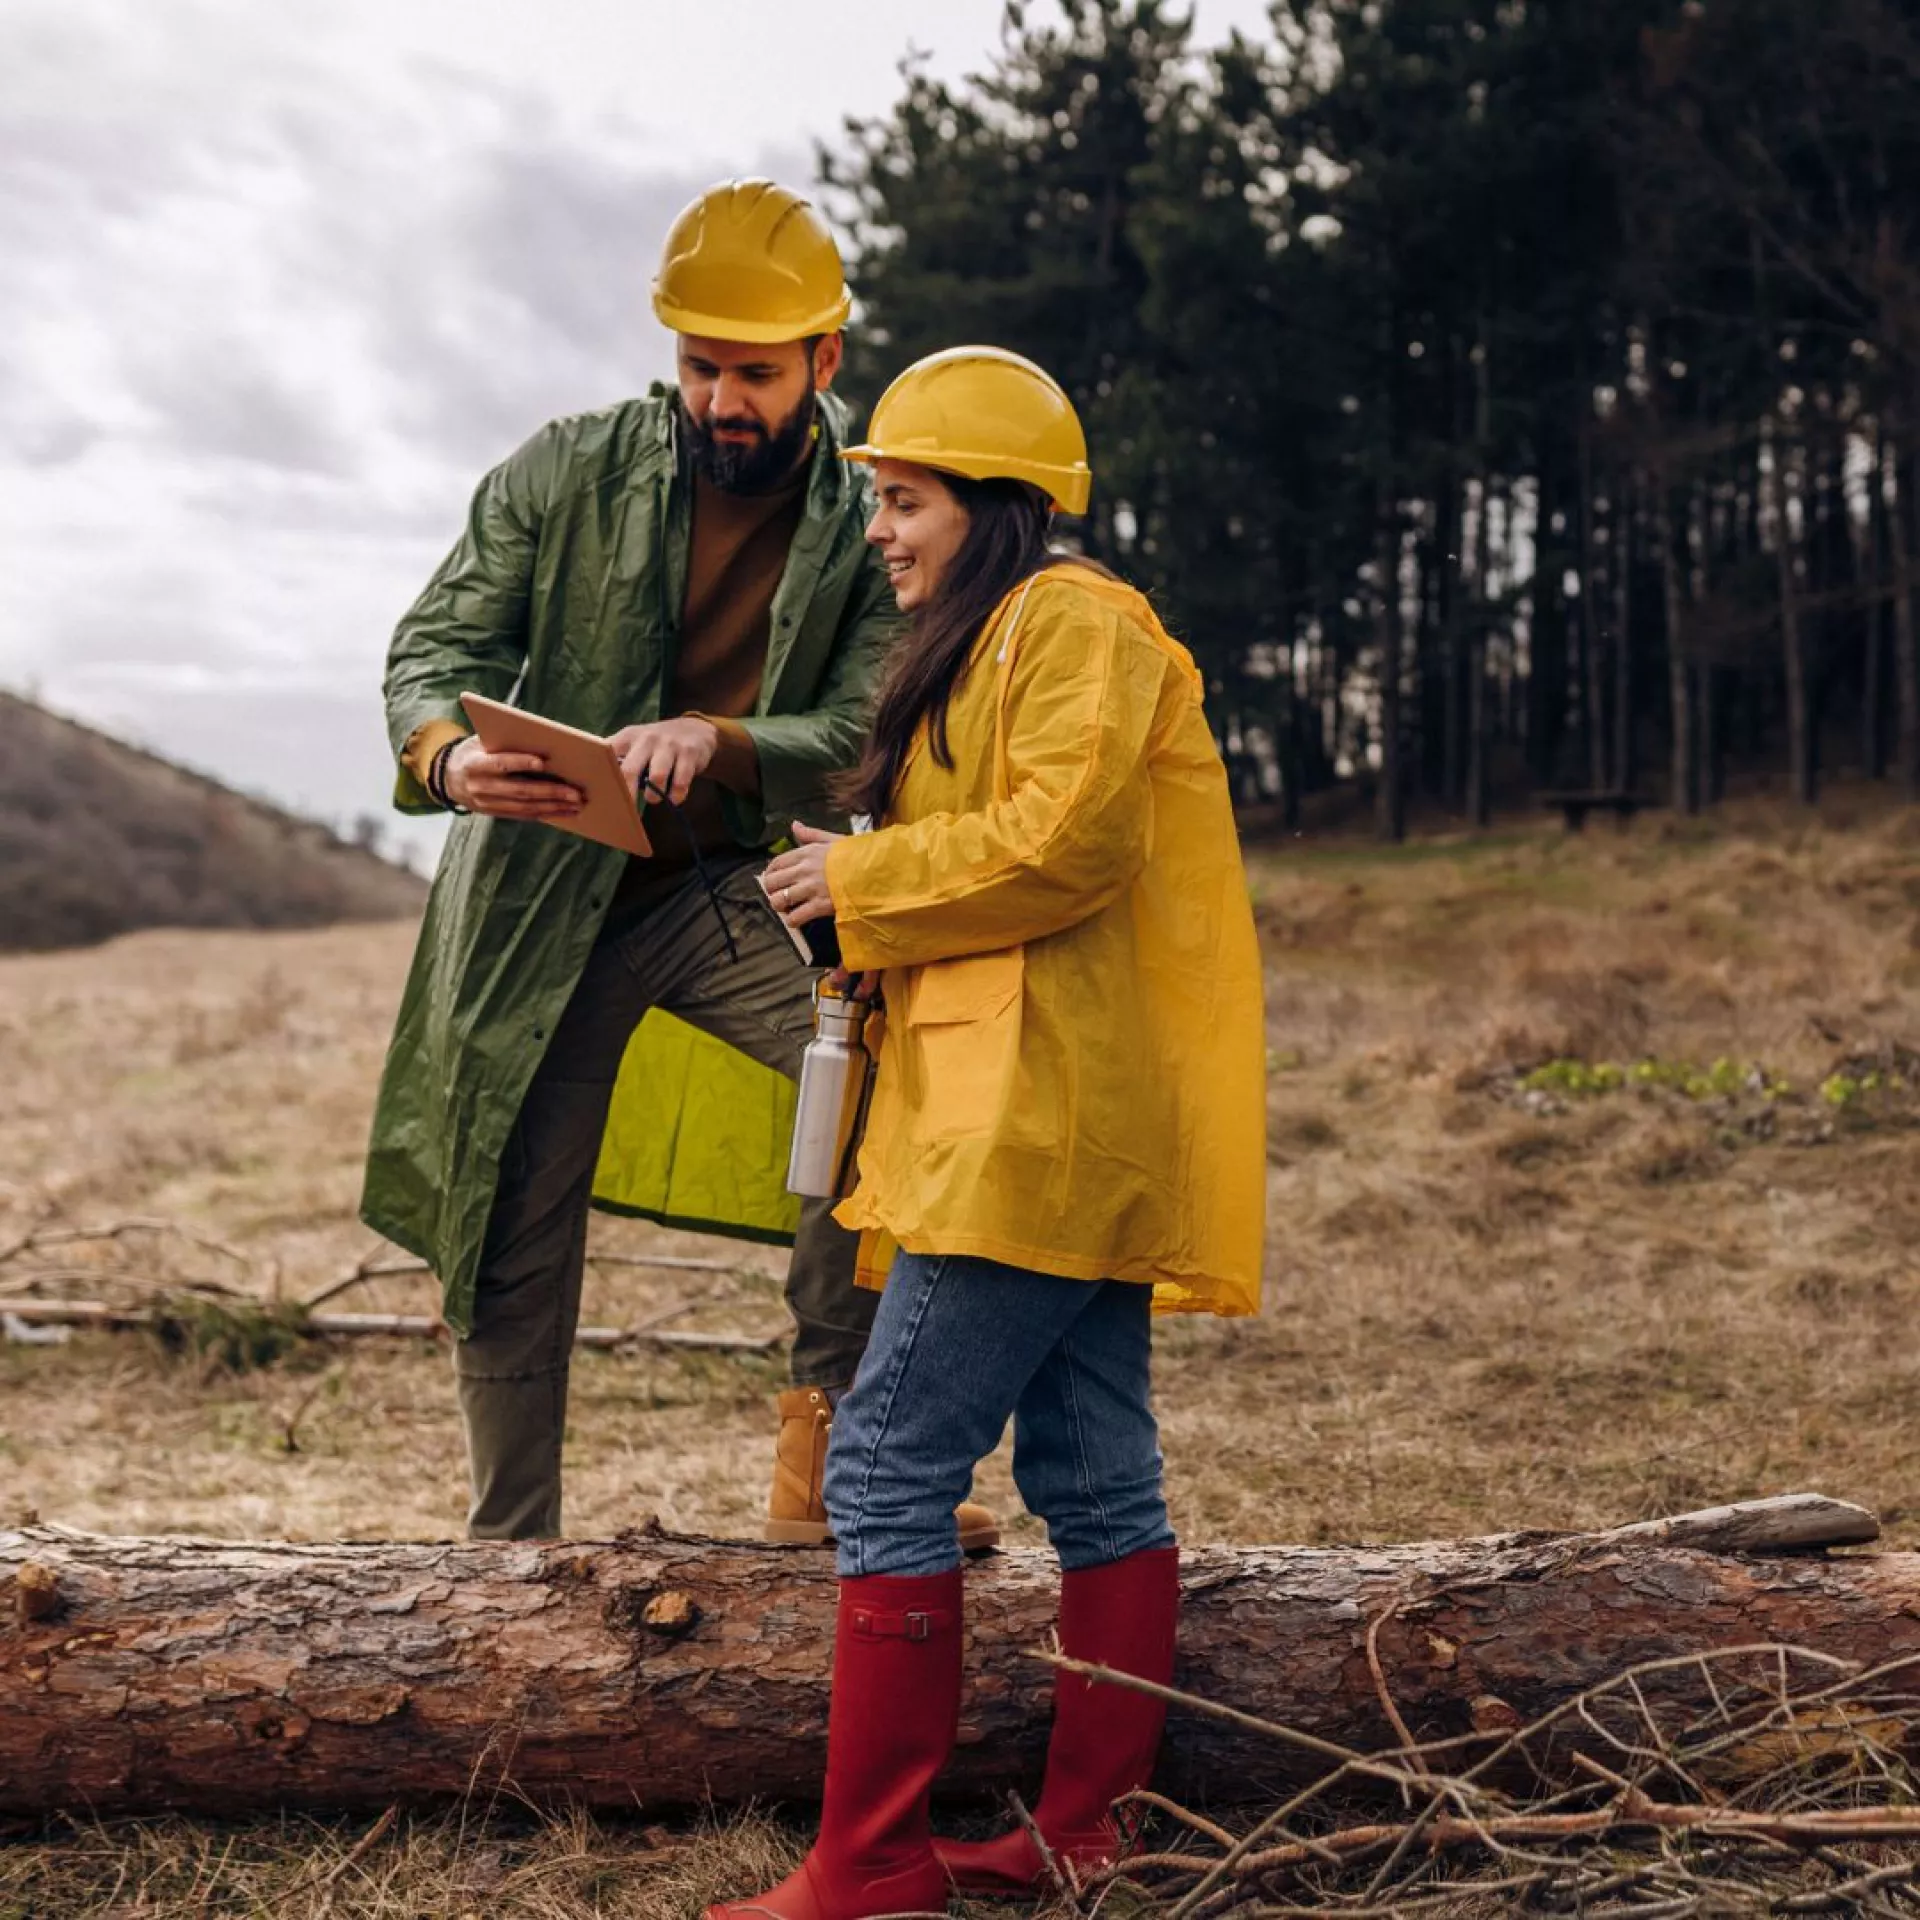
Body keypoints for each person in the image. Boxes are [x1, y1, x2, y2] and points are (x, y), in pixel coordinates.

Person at [709, 345, 1266, 1920]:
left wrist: (867, 883)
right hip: (1036, 1117)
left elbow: (1071, 841)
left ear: (995, 503)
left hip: (1033, 1129)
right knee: (1097, 1478)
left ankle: (871, 1867)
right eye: (878, 500)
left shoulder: (1075, 618)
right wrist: (862, 868)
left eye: (904, 499)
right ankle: (1088, 1840)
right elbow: (1011, 836)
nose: (880, 530)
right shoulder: (996, 635)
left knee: (881, 1466)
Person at [358, 180, 998, 1552]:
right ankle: (508, 1555)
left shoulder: (867, 510)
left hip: (737, 885)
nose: (721, 400)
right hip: (538, 903)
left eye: (755, 373)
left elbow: (862, 732)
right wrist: (444, 757)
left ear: (827, 360)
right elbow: (436, 651)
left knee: (881, 1088)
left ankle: (833, 1478)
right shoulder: (562, 468)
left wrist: (713, 740)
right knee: (512, 1223)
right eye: (699, 367)